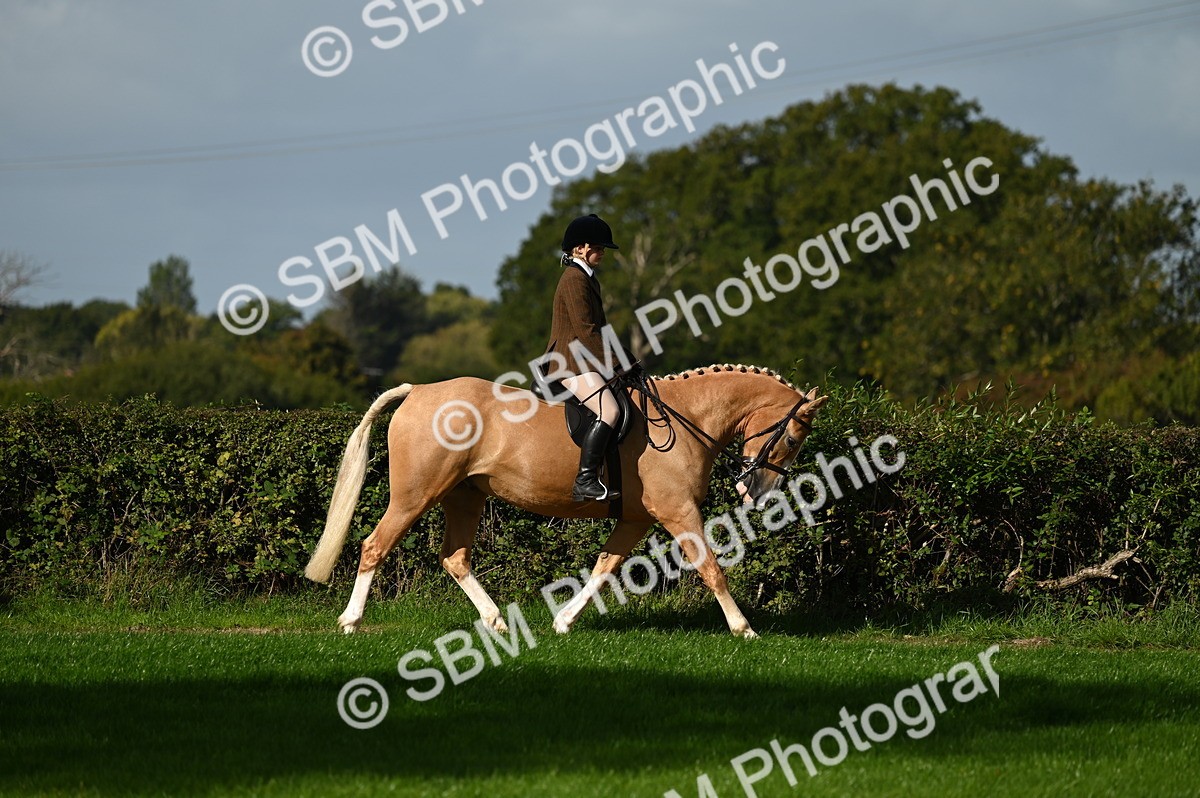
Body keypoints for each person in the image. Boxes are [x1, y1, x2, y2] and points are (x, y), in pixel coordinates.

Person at [541, 213, 634, 502]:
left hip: (582, 359)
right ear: (580, 248)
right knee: (610, 411)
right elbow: (586, 330)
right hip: (568, 362)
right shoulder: (574, 279)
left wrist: (626, 358)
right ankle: (585, 480)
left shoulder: (587, 278)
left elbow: (601, 330)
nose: (602, 252)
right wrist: (616, 364)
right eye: (598, 247)